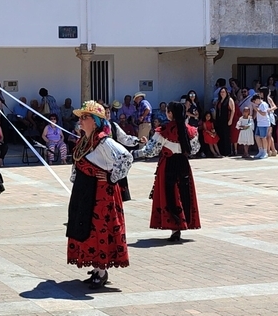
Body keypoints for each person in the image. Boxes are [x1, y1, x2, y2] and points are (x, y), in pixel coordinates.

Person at [66, 100, 132, 289]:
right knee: (86, 228)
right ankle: (96, 268)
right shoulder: (84, 141)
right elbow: (77, 164)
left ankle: (101, 271)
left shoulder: (104, 141)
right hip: (85, 191)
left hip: (101, 193)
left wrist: (112, 177)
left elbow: (126, 157)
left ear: (95, 121)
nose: (81, 120)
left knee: (99, 229)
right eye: (81, 117)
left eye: (85, 117)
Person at [133, 101, 201, 241]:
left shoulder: (163, 130)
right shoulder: (191, 130)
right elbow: (194, 149)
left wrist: (135, 153)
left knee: (171, 194)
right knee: (183, 193)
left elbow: (151, 151)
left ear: (170, 113)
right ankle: (182, 223)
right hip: (183, 164)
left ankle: (175, 226)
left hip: (168, 165)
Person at [104, 106, 142, 202]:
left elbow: (124, 138)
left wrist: (137, 140)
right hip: (102, 158)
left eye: (108, 112)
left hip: (114, 158)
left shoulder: (113, 125)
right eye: (105, 113)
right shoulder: (95, 127)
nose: (107, 115)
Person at [251, 94, 273, 159]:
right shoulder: (259, 105)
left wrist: (257, 110)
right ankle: (260, 151)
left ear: (258, 99)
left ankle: (265, 152)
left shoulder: (263, 104)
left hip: (264, 123)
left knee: (263, 138)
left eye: (255, 101)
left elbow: (264, 113)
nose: (254, 102)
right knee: (257, 136)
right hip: (259, 123)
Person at [215, 87, 234, 156]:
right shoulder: (219, 100)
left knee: (226, 135)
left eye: (223, 92)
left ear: (226, 93)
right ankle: (221, 151)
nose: (222, 93)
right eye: (221, 92)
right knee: (220, 135)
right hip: (219, 120)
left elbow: (232, 110)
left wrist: (230, 119)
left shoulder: (229, 100)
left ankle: (227, 152)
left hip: (226, 120)